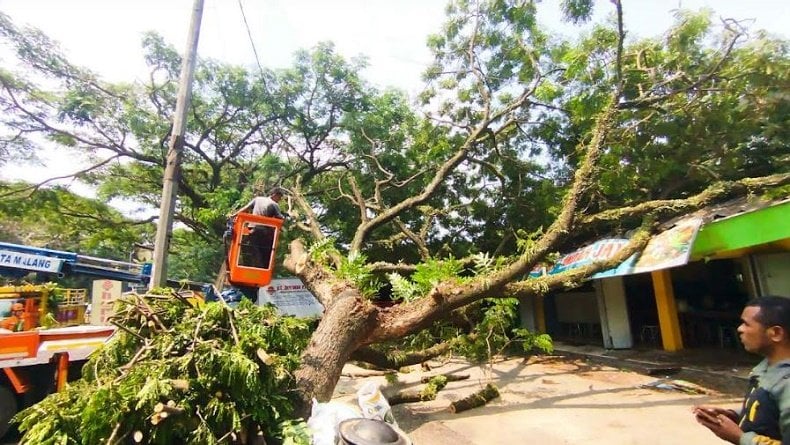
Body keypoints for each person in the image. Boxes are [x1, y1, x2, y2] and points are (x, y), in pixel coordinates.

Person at [693, 295, 790, 445]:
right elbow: (771, 411)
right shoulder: (768, 367)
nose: (740, 329)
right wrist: (735, 415)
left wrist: (739, 437)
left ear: (776, 333)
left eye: (746, 324)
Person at [230, 187, 287, 269]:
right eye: (279, 197)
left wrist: (234, 215)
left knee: (254, 251)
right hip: (264, 232)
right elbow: (280, 218)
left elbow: (245, 208)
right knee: (266, 252)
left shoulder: (258, 199)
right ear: (275, 195)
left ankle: (252, 268)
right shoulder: (274, 204)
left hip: (252, 229)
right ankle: (262, 269)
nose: (280, 199)